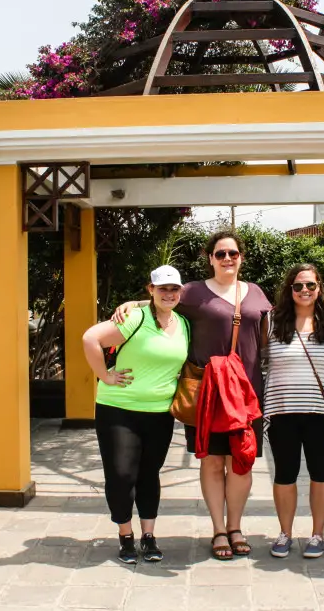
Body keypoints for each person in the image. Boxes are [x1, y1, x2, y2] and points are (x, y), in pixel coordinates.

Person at [114, 231, 271, 561]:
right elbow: (163, 299)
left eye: (233, 253)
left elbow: (270, 333)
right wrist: (133, 303)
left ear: (241, 257)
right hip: (208, 393)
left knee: (241, 462)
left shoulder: (255, 293)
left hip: (246, 393)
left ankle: (236, 527)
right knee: (213, 462)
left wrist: (316, 311)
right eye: (220, 253)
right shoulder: (194, 292)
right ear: (210, 258)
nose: (227, 258)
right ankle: (218, 529)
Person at [82, 265, 189, 565]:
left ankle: (149, 536)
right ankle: (125, 536)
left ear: (180, 291)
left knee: (148, 475)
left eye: (174, 288)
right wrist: (104, 374)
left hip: (159, 412)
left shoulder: (183, 323)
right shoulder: (135, 318)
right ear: (150, 290)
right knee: (121, 475)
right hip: (118, 409)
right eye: (162, 288)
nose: (169, 293)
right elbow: (90, 338)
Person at [261, 264, 324, 559]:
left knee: (321, 472)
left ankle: (318, 534)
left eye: (310, 285)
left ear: (319, 288)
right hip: (282, 410)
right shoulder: (271, 320)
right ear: (290, 289)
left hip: (319, 411)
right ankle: (285, 532)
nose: (304, 291)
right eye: (298, 286)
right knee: (285, 473)